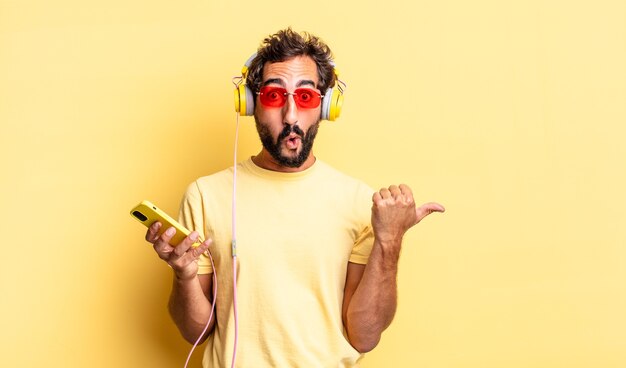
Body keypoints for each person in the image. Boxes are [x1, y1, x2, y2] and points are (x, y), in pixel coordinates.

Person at [145, 28, 444, 367]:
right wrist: (184, 276)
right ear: (250, 104)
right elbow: (194, 331)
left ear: (326, 106)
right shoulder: (205, 195)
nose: (290, 116)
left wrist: (389, 240)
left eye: (305, 98)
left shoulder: (362, 203)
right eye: (274, 96)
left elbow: (365, 335)